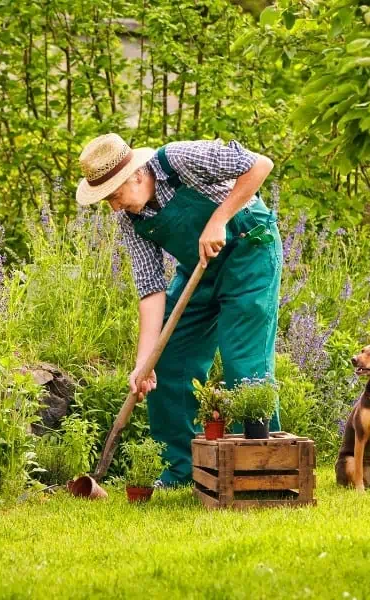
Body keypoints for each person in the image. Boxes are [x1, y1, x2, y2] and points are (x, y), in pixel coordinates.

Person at [75, 133, 282, 487]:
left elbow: (260, 165)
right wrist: (144, 363)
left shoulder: (181, 159)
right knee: (166, 361)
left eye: (114, 195)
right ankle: (184, 470)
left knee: (243, 364)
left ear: (137, 175)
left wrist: (219, 219)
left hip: (250, 253)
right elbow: (150, 287)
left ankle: (260, 471)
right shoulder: (132, 218)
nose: (113, 207)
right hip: (199, 269)